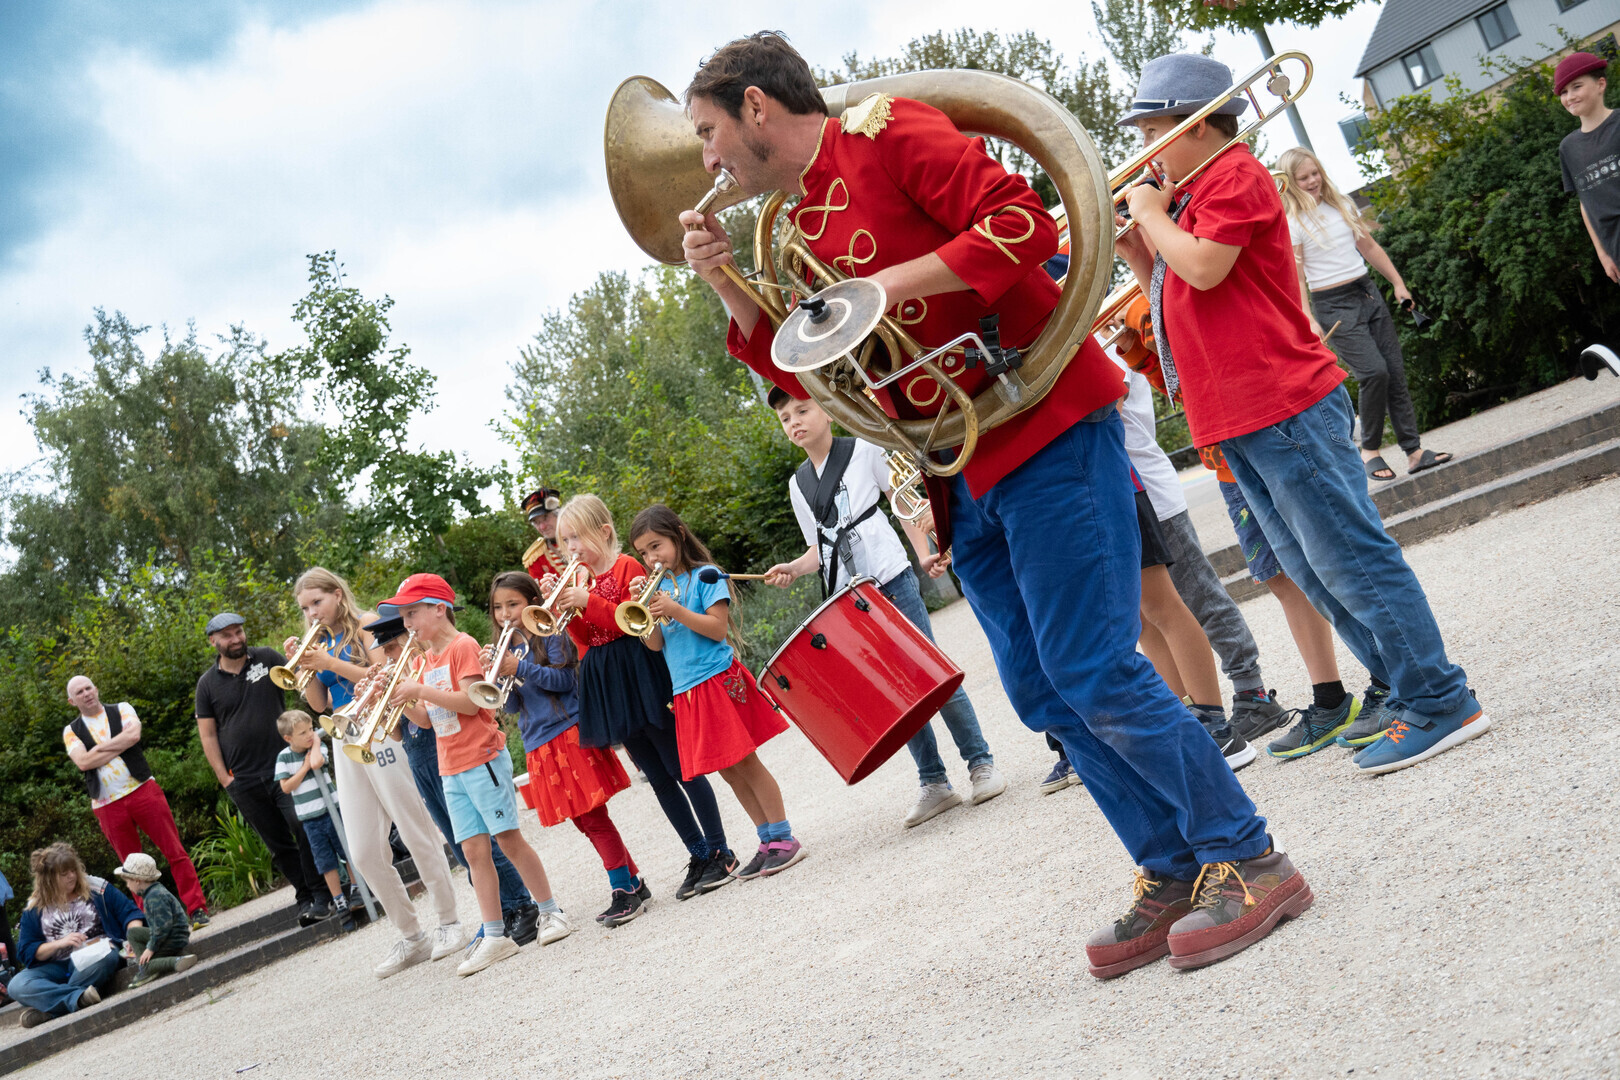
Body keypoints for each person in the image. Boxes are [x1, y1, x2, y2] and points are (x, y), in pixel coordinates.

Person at [681, 32, 1306, 975]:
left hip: (1042, 420)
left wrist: (891, 281)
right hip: (953, 465)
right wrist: (727, 279)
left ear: (756, 108)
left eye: (706, 132)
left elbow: (1026, 225)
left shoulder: (890, 133)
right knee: (1040, 689)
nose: (705, 158)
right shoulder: (790, 219)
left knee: (1092, 665)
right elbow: (803, 359)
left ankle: (1249, 854)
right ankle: (1169, 867)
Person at [1114, 53, 1489, 776]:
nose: (1149, 147)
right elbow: (1184, 296)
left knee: (1351, 557)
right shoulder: (1189, 196)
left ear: (1196, 124)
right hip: (1239, 417)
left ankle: (1439, 697)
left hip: (1281, 403)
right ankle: (1397, 687)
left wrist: (1154, 218)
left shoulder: (1235, 175)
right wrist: (1142, 252)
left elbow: (1203, 268)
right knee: (1313, 570)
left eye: (1155, 127)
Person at [1111, 291, 1390, 754]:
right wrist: (1146, 354)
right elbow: (1184, 383)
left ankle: (1389, 681)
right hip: (1227, 454)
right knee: (1284, 578)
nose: (1129, 217)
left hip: (1266, 425)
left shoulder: (1187, 257)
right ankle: (1331, 697)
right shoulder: (1153, 286)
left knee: (1335, 560)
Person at [763, 388, 1007, 826]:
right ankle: (934, 781)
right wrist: (794, 569)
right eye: (785, 418)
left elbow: (904, 504)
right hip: (848, 599)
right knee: (893, 690)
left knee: (929, 673)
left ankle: (980, 762)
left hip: (890, 579)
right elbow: (817, 548)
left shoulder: (862, 450)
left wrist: (924, 552)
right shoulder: (797, 484)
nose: (794, 421)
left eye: (803, 409)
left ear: (828, 412)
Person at [383, 573, 571, 977]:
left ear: (439, 608)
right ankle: (495, 934)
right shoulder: (422, 658)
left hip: (482, 757)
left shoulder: (461, 646)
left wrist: (419, 688)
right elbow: (428, 720)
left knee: (508, 840)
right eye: (404, 616)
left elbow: (470, 705)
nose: (408, 624)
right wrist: (399, 697)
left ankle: (552, 911)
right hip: (451, 765)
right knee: (472, 853)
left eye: (413, 613)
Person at [549, 495, 736, 901]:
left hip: (639, 667)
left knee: (680, 765)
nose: (572, 548)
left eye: (576, 537)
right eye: (565, 541)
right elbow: (586, 640)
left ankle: (721, 850)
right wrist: (569, 610)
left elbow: (628, 623)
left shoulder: (628, 566)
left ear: (602, 531)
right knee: (656, 776)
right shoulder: (580, 581)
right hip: (605, 676)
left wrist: (589, 602)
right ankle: (698, 852)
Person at [286, 567, 468, 978]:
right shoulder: (320, 640)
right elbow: (317, 705)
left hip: (381, 723)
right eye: (305, 607)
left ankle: (449, 920)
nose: (312, 612)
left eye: (317, 602)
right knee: (363, 850)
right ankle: (411, 934)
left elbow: (381, 675)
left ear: (337, 594)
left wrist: (330, 660)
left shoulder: (367, 624)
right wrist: (307, 668)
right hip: (342, 730)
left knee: (413, 827)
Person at [630, 505, 807, 879]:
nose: (650, 558)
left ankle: (784, 837)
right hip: (688, 690)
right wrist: (641, 616)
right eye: (643, 553)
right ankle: (765, 840)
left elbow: (716, 629)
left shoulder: (706, 576)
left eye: (656, 546)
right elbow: (655, 646)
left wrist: (674, 609)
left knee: (747, 762)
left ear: (678, 534)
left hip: (717, 680)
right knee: (728, 771)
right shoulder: (658, 589)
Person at [366, 611, 540, 946]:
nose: (386, 655)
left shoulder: (432, 662)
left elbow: (459, 708)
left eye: (390, 647)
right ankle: (500, 911)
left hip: (448, 750)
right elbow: (404, 731)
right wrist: (387, 696)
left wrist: (411, 689)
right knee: (464, 846)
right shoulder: (413, 671)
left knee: (488, 839)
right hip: (422, 758)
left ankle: (520, 904)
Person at [1277, 146, 1451, 480]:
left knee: (1395, 372)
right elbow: (1296, 276)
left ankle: (1414, 452)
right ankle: (1369, 449)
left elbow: (1368, 246)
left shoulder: (1341, 204)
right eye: (1304, 177)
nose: (1313, 181)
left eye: (1315, 173)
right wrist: (1308, 317)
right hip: (1332, 304)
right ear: (1291, 183)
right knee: (1373, 373)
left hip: (1368, 292)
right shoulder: (1293, 223)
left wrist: (1398, 284)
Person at [486, 572, 649, 926]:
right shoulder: (508, 647)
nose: (505, 614)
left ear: (531, 601)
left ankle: (623, 891)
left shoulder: (549, 634)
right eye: (498, 607)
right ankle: (633, 881)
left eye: (512, 604)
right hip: (538, 742)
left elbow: (564, 681)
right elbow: (512, 707)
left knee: (594, 817)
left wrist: (522, 667)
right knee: (584, 823)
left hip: (566, 733)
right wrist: (500, 676)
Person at [194, 612, 325, 924]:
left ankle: (322, 893)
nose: (236, 639)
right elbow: (208, 734)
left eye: (239, 632)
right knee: (278, 844)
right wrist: (225, 779)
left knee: (303, 826)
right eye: (227, 635)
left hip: (286, 766)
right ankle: (305, 896)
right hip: (244, 778)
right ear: (213, 642)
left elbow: (300, 683)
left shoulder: (266, 657)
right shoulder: (207, 685)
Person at [63, 676, 208, 927]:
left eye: (88, 688)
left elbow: (134, 736)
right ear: (72, 700)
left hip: (142, 789)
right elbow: (83, 762)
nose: (86, 693)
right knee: (132, 867)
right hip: (107, 805)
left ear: (96, 688)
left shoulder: (122, 708)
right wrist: (117, 743)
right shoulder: (71, 730)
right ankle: (154, 921)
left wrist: (98, 750)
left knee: (175, 851)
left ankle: (197, 908)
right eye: (79, 692)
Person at [10, 843, 143, 1028]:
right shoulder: (35, 907)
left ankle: (51, 1010)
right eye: (64, 874)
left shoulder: (97, 888)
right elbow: (27, 951)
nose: (71, 876)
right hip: (56, 966)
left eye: (73, 870)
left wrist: (133, 936)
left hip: (96, 956)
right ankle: (76, 998)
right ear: (48, 879)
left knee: (106, 958)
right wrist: (59, 943)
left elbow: (130, 913)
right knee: (16, 985)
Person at [274, 710, 353, 930]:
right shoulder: (284, 758)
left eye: (311, 729)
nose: (310, 734)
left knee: (346, 851)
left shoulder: (318, 748)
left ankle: (356, 888)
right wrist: (304, 767)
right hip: (310, 819)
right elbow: (286, 786)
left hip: (332, 811)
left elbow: (318, 762)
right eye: (303, 733)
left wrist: (316, 742)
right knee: (325, 862)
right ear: (288, 738)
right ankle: (338, 900)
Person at [112, 853, 197, 988]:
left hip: (173, 938)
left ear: (137, 880)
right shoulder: (152, 892)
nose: (128, 886)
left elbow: (162, 927)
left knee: (144, 964)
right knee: (132, 933)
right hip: (172, 936)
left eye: (128, 881)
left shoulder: (154, 896)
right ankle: (149, 964)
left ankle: (173, 962)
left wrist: (151, 948)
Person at [521, 485, 567, 582]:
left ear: (559, 515)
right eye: (536, 522)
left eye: (545, 518)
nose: (542, 527)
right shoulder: (536, 557)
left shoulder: (584, 537)